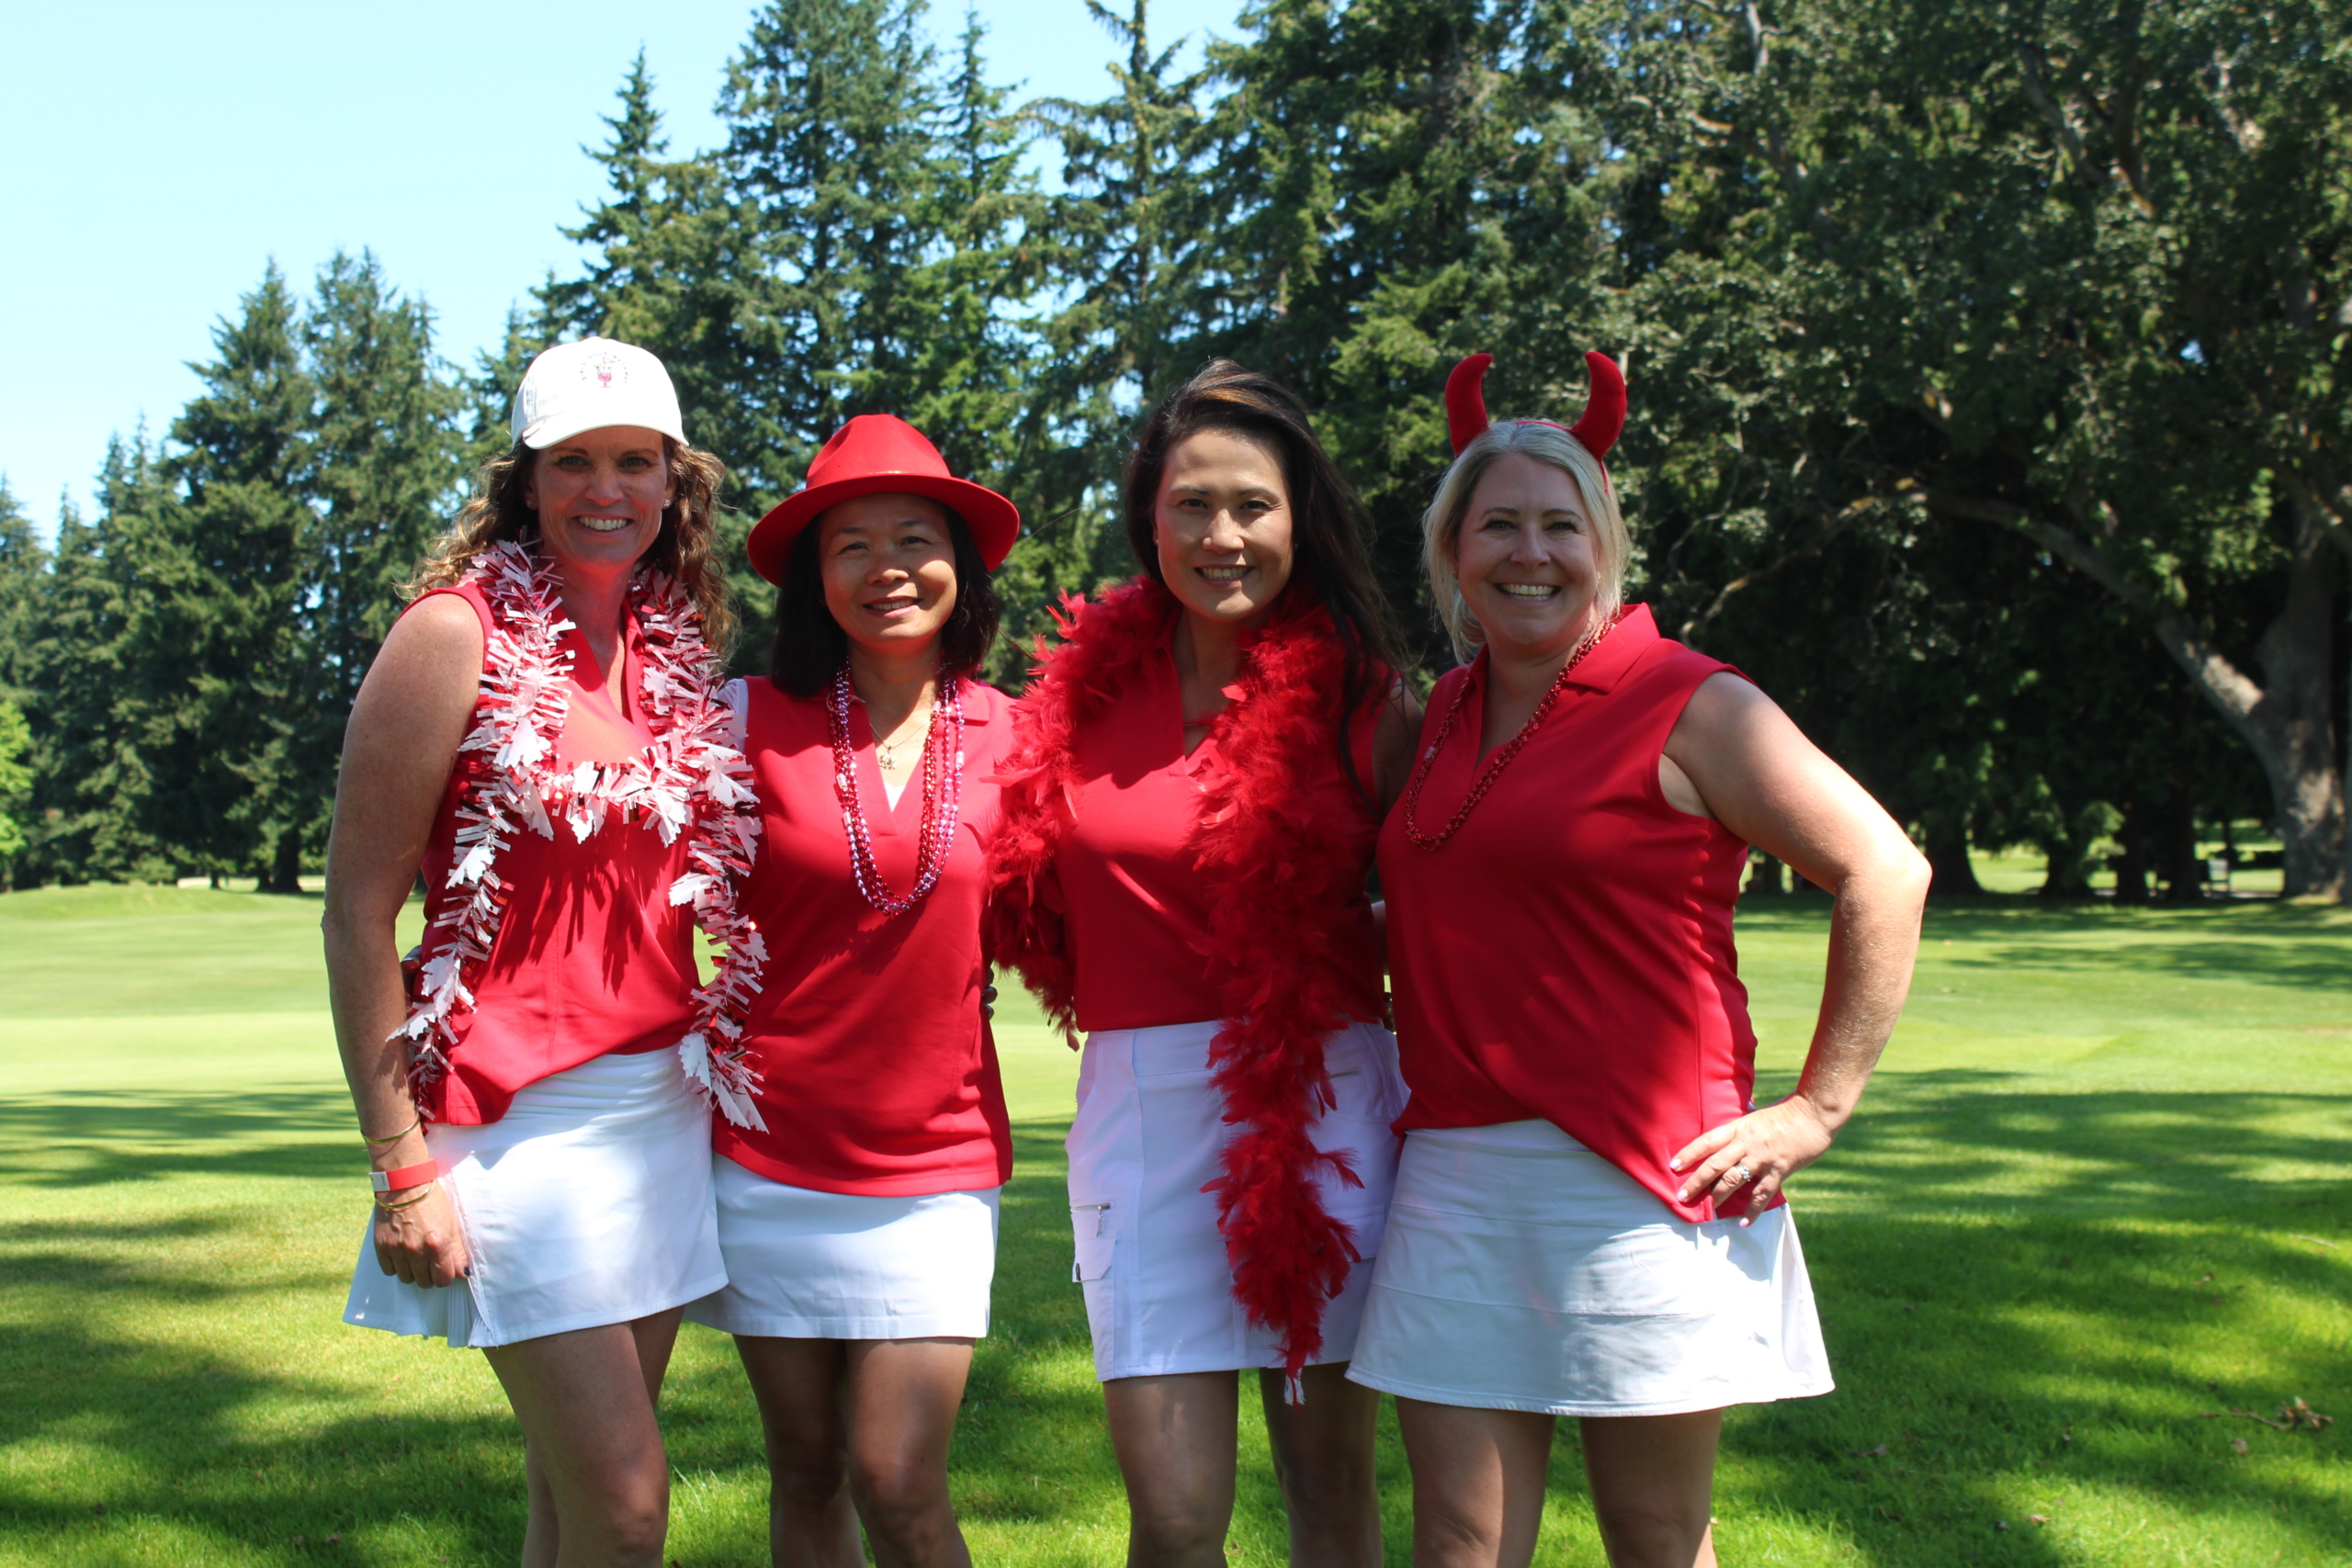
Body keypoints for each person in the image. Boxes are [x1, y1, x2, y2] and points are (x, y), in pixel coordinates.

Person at [1348, 353, 1931, 1568]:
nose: (1530, 551)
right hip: (1452, 1170)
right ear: (1454, 547)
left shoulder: (1689, 699)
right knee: (1458, 1541)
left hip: (1643, 1185)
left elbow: (1887, 868)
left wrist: (1819, 1107)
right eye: (1497, 522)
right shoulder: (1444, 711)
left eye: (1561, 524)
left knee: (1655, 1536)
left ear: (1603, 543)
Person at [327, 336, 753, 1568]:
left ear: (677, 485)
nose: (606, 489)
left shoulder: (672, 651)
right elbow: (357, 908)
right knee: (626, 1505)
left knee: (569, 1508)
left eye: (635, 461)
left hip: (657, 1111)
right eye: (574, 461)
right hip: (511, 1118)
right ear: (525, 481)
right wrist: (397, 1159)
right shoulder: (450, 635)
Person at [987, 362, 1421, 1568]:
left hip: (1323, 1100)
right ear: (1148, 516)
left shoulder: (1370, 703)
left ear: (1301, 519)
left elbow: (1454, 900)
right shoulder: (1075, 698)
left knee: (1328, 1490)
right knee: (1175, 1519)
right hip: (1140, 1107)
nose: (1222, 535)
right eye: (1193, 504)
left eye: (1252, 505)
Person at [682, 415, 1021, 1568]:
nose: (887, 569)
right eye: (851, 546)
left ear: (960, 565)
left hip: (935, 1159)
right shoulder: (735, 722)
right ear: (815, 579)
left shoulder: (1022, 737)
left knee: (897, 1478)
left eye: (914, 538)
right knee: (808, 1468)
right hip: (766, 1155)